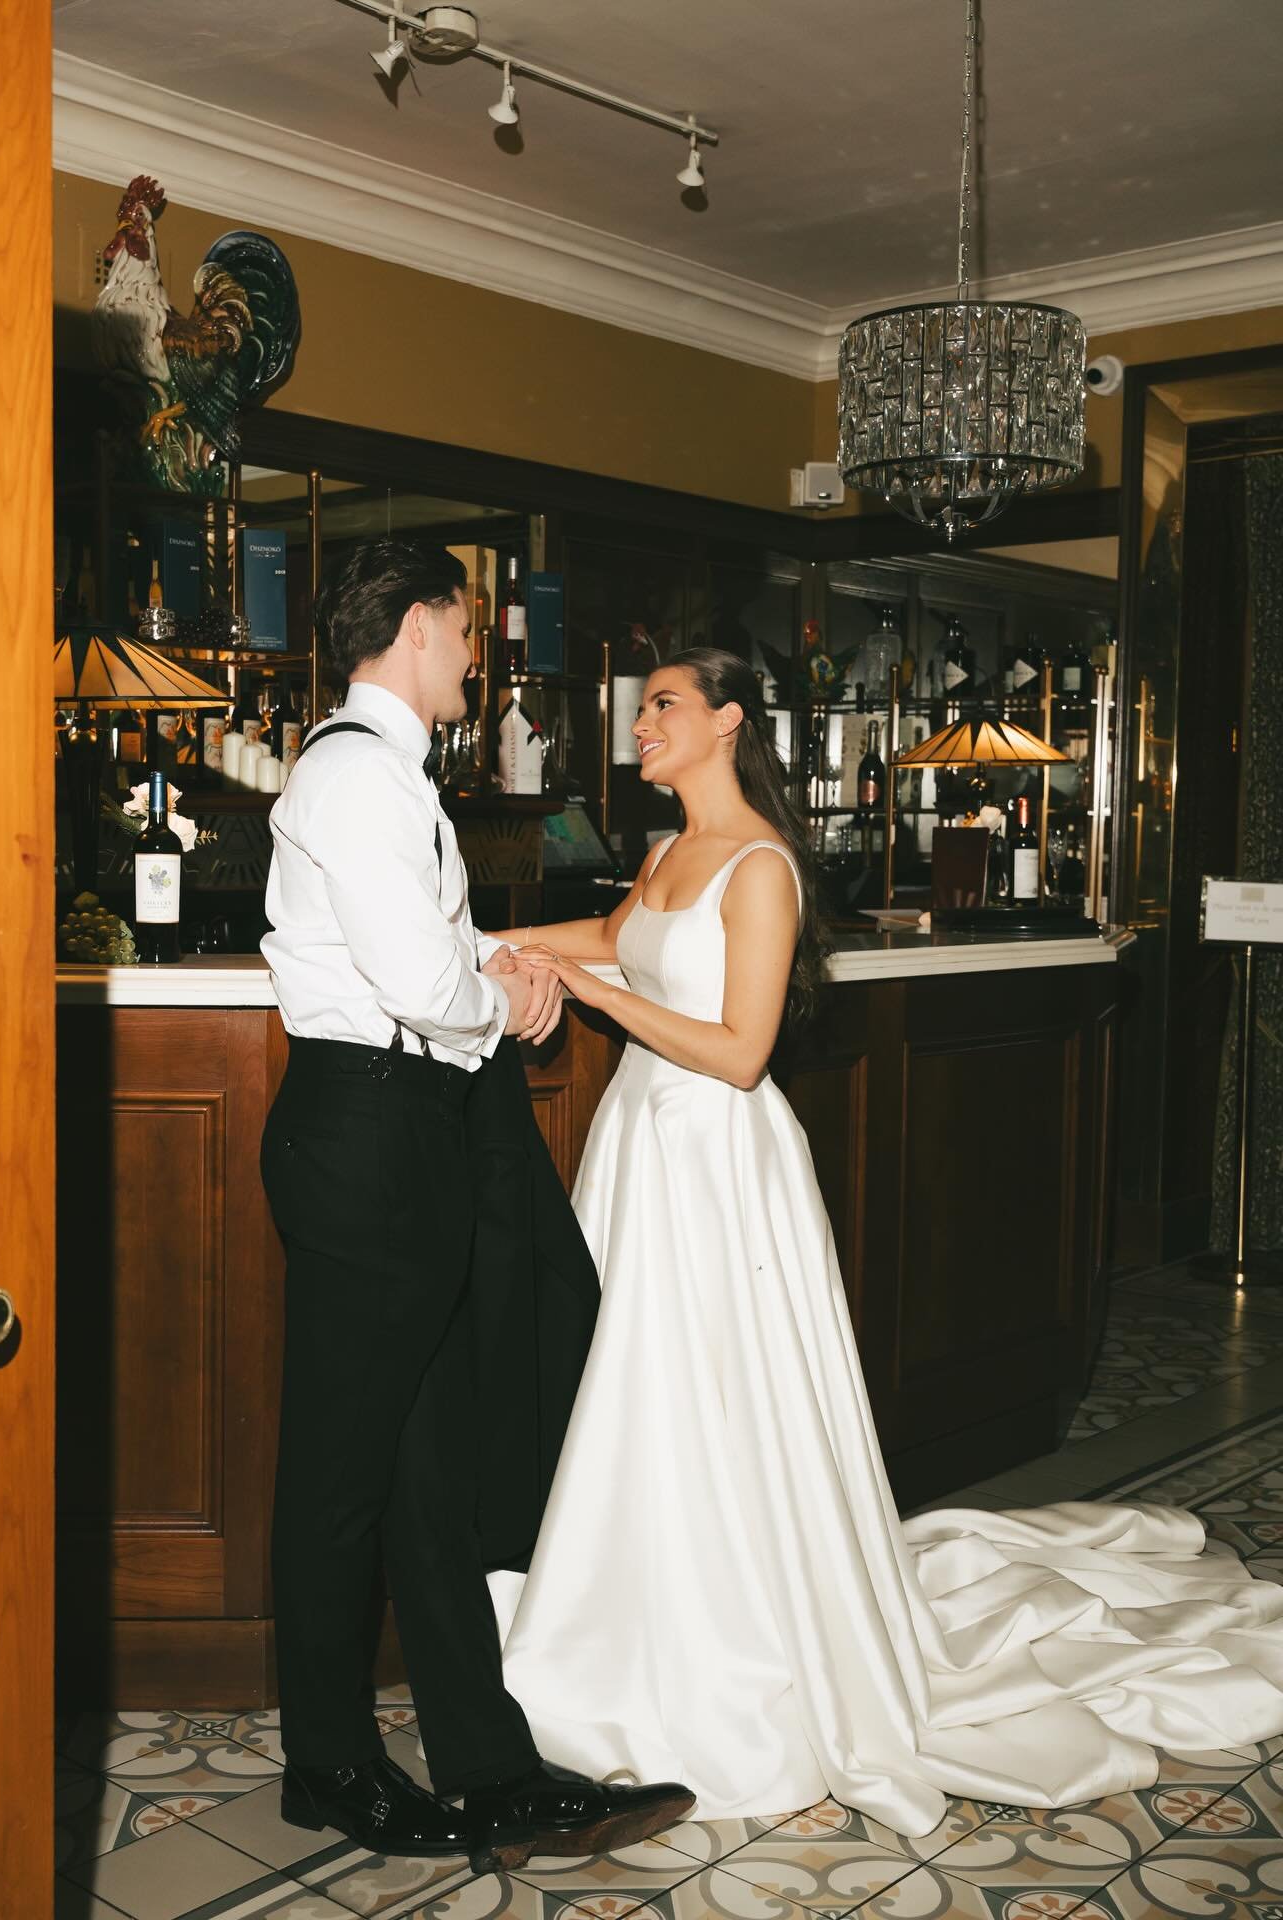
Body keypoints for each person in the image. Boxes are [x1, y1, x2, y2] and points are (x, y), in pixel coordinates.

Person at [489, 645, 1283, 1836]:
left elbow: (741, 1051)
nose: (638, 722)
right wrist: (496, 944)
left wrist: (591, 995)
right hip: (641, 1151)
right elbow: (614, 933)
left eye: (661, 704)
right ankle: (626, 1613)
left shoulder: (760, 867)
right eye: (639, 706)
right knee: (636, 1392)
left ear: (726, 723)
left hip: (717, 1159)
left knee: (717, 1396)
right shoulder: (660, 856)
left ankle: (731, 1642)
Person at [258, 539, 693, 1873]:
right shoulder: (353, 774)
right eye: (461, 631)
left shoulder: (383, 776)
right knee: (340, 1479)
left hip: (406, 1134)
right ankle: (326, 1765)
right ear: (415, 627)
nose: (475, 656)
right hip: (367, 1136)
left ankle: (487, 1767)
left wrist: (482, 970)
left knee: (425, 1476)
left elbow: (421, 958)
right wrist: (495, 994)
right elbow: (413, 982)